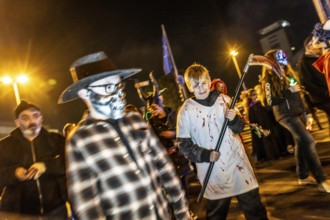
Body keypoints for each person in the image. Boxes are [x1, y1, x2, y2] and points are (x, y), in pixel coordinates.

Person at [58, 51, 191, 219]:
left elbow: (164, 168)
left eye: (119, 85)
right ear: (85, 93)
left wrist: (182, 212)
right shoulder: (80, 139)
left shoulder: (136, 120)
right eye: (108, 87)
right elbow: (86, 204)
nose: (120, 94)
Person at [176, 63, 268, 220]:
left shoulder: (225, 100)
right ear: (190, 87)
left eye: (203, 83)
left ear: (209, 80)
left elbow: (239, 128)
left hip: (238, 164)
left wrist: (234, 120)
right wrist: (205, 155)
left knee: (254, 209)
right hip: (213, 170)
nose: (201, 88)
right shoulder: (186, 111)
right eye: (195, 85)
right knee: (216, 214)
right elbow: (184, 145)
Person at [261, 49, 330, 193]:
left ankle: (302, 176)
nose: (283, 58)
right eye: (279, 56)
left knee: (300, 143)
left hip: (298, 112)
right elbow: (269, 101)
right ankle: (321, 179)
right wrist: (288, 91)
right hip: (285, 115)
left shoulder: (288, 73)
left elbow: (299, 94)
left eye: (283, 55)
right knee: (309, 141)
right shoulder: (268, 79)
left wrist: (307, 112)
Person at [0, 100, 67, 218]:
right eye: (25, 118)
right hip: (20, 213)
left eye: (35, 116)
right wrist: (14, 173)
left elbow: (70, 163)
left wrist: (47, 166)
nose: (32, 121)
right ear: (17, 122)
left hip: (56, 209)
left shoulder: (57, 140)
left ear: (41, 118)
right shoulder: (4, 146)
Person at [297, 35, 330, 132]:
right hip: (323, 97)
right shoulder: (304, 62)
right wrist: (324, 92)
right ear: (309, 46)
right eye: (316, 44)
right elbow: (306, 83)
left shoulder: (318, 58)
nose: (319, 46)